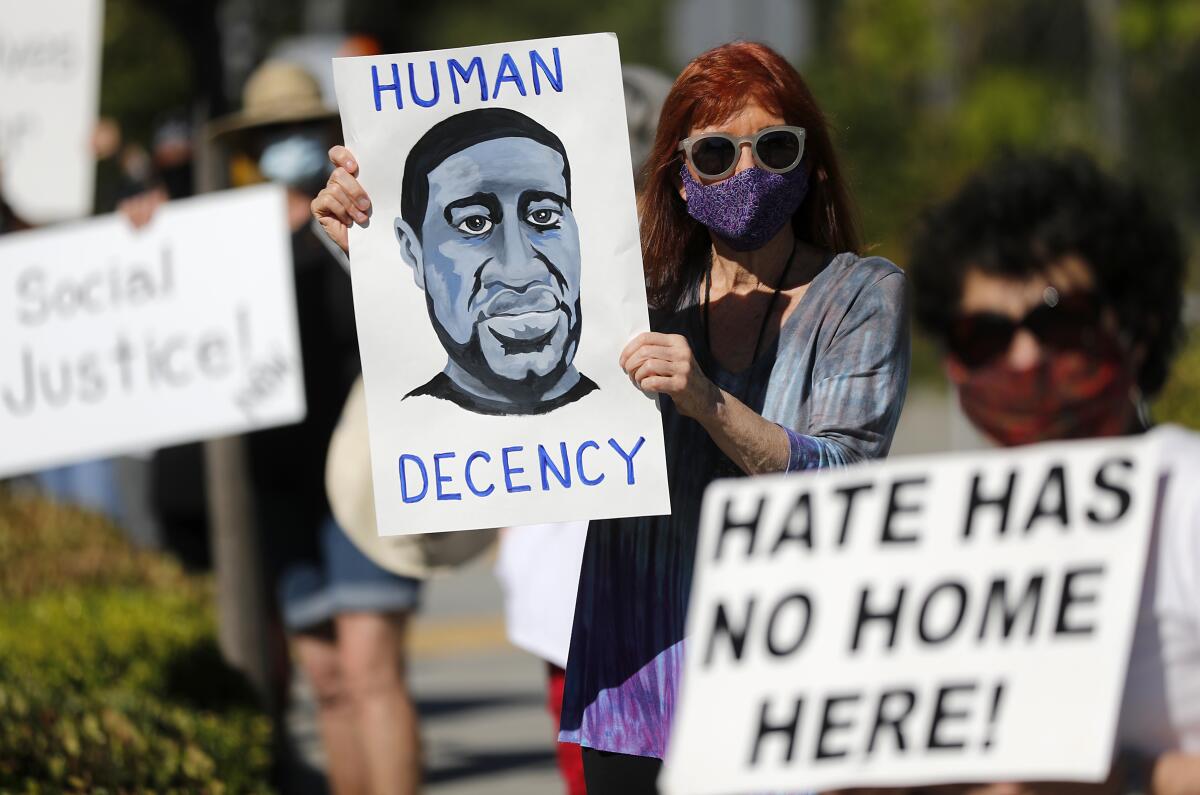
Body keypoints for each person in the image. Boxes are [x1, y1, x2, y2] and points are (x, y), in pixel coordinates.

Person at [313, 40, 911, 794]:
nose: (748, 173)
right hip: (635, 678)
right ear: (680, 179)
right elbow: (492, 341)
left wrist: (709, 403)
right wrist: (365, 247)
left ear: (813, 162)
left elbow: (848, 476)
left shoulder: (861, 295)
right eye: (718, 154)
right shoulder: (636, 289)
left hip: (785, 678)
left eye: (776, 147)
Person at [908, 152, 1200, 794]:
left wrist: (1125, 780)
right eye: (984, 335)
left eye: (1057, 321)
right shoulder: (926, 540)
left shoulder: (1186, 496)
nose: (1024, 357)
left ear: (1137, 330)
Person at [211, 60, 424, 795]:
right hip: (279, 478)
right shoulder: (219, 232)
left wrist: (342, 233)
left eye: (302, 127)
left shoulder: (362, 214)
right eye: (271, 133)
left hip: (365, 470)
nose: (287, 144)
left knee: (370, 670)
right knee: (328, 679)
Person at [392, 107, 595, 415]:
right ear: (413, 251)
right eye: (474, 224)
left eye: (543, 216)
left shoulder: (648, 401)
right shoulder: (399, 428)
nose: (520, 271)